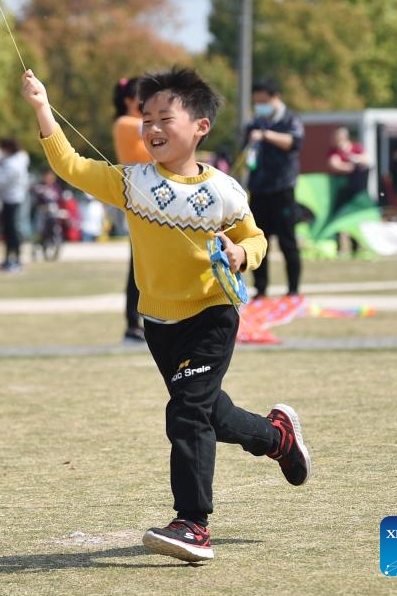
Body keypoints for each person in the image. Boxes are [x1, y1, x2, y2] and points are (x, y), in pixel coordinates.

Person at [22, 65, 311, 564]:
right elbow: (69, 164)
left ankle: (193, 524)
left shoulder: (224, 190)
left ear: (200, 126)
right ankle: (277, 436)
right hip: (159, 323)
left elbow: (256, 239)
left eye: (165, 118)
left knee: (186, 414)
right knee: (210, 414)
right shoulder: (130, 183)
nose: (152, 128)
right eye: (145, 118)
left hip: (212, 314)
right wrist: (43, 106)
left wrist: (243, 256)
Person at [244, 78, 304, 298]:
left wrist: (267, 136)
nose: (260, 105)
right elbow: (246, 151)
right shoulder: (254, 123)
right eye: (256, 101)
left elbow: (294, 142)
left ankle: (293, 289)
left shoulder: (290, 119)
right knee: (259, 240)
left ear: (275, 97)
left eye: (263, 101)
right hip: (259, 190)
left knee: (288, 241)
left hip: (283, 189)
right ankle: (260, 289)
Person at [112, 77, 151, 342]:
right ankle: (132, 323)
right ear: (129, 100)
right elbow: (156, 127)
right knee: (139, 265)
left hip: (154, 198)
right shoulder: (125, 123)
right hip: (139, 200)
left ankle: (142, 321)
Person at [0, 137, 30, 271]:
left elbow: (1, 180)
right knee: (10, 230)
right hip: (14, 198)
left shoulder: (12, 163)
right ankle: (10, 258)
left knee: (12, 231)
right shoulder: (20, 158)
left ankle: (14, 259)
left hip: (12, 199)